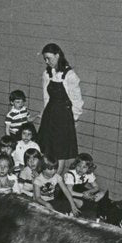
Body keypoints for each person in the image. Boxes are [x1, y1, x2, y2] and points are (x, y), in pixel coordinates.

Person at [39, 43, 84, 176]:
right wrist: (44, 114)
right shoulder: (47, 74)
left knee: (60, 152)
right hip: (50, 115)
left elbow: (77, 100)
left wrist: (73, 119)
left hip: (63, 117)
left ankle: (56, 180)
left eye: (49, 58)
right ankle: (46, 178)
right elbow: (46, 97)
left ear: (58, 55)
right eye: (45, 59)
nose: (47, 62)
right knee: (47, 148)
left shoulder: (70, 75)